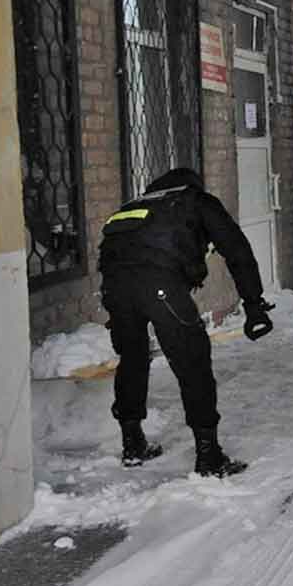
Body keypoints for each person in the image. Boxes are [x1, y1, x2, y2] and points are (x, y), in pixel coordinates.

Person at [97, 167, 273, 478]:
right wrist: (254, 305)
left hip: (114, 288)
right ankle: (209, 456)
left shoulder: (132, 207)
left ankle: (132, 443)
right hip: (159, 286)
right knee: (193, 361)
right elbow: (237, 250)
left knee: (133, 358)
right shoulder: (196, 201)